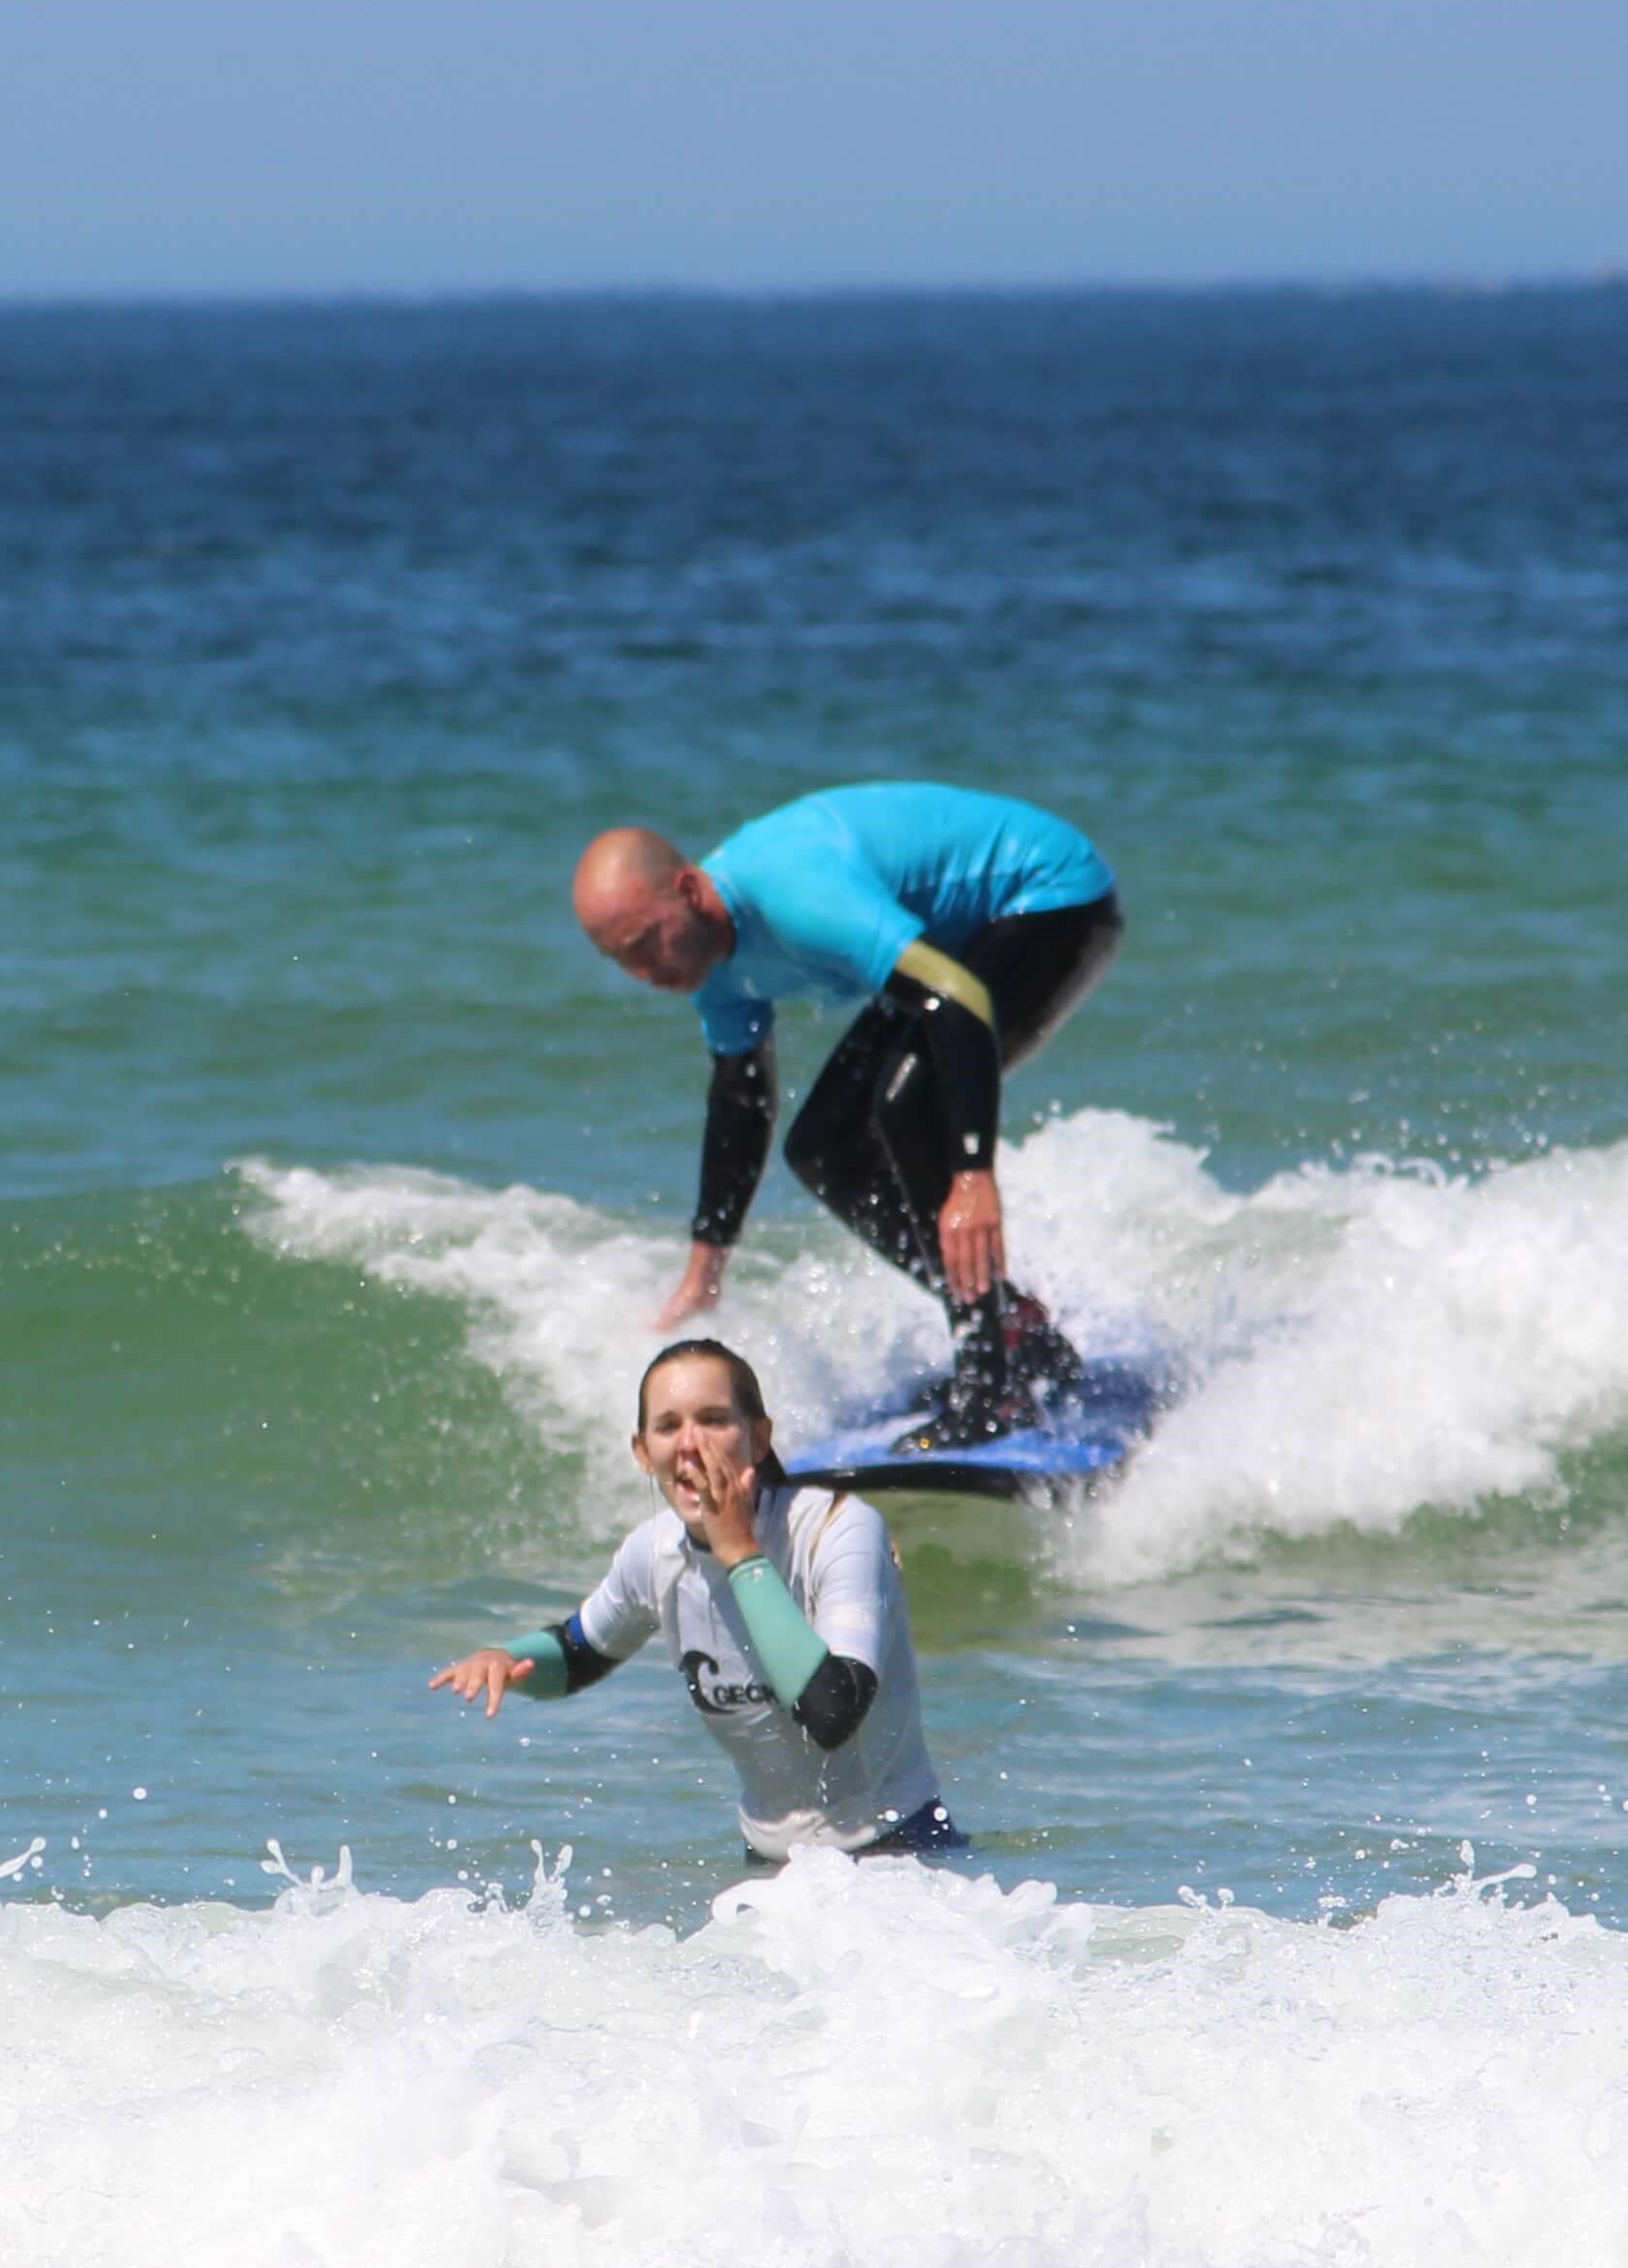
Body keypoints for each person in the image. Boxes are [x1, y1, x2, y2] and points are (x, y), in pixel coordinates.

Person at [573, 781, 1123, 1437]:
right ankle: (1016, 1330)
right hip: (956, 942)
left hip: (1050, 898)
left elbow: (955, 996)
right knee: (822, 1146)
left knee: (908, 1104)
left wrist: (973, 1174)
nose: (641, 971)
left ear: (688, 892)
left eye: (644, 943)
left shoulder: (796, 896)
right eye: (619, 959)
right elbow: (740, 1100)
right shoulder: (710, 964)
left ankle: (993, 1381)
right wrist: (704, 1270)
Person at [430, 1336, 967, 1863]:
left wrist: (740, 1554)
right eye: (668, 1427)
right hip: (771, 1866)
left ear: (758, 1437)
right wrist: (505, 1659)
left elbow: (832, 1713)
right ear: (643, 1453)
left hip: (903, 1856)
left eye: (714, 1420)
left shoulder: (837, 1529)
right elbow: (576, 1654)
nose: (691, 1444)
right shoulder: (654, 1552)